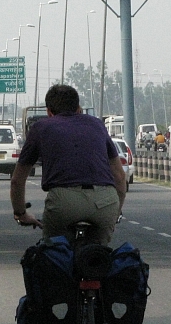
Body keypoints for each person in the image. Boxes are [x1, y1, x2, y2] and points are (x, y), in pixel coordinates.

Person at [11, 84, 126, 245]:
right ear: (79, 109)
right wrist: (116, 212)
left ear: (49, 112)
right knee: (99, 260)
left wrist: (21, 213)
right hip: (104, 201)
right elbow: (120, 177)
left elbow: (17, 180)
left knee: (54, 256)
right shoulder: (97, 125)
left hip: (63, 203)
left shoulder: (40, 128)